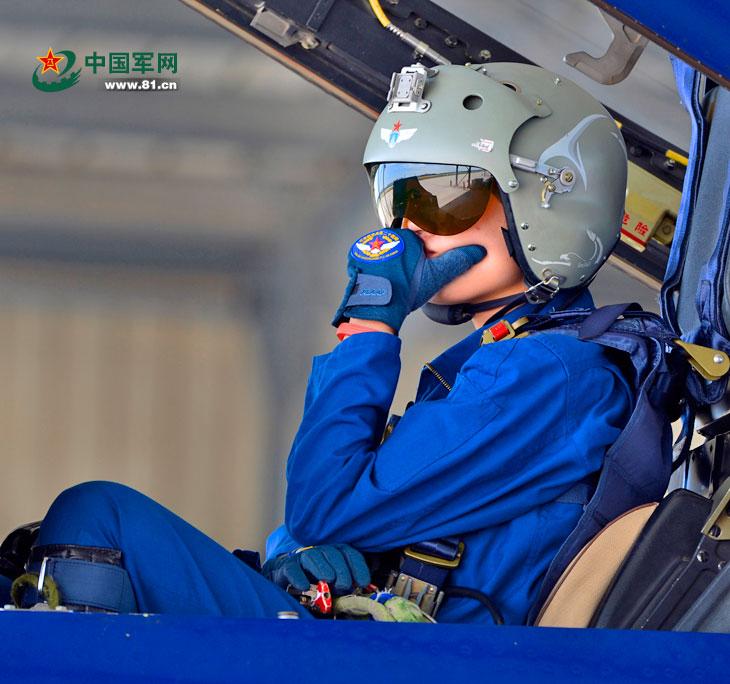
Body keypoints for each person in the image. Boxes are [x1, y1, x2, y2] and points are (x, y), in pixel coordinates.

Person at [2, 62, 632, 624]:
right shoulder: (522, 367)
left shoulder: (549, 372)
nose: (411, 227)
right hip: (400, 645)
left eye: (444, 195)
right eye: (399, 196)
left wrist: (370, 321)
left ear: (552, 201)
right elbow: (341, 521)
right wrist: (298, 559)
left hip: (419, 664)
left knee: (98, 518)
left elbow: (326, 506)